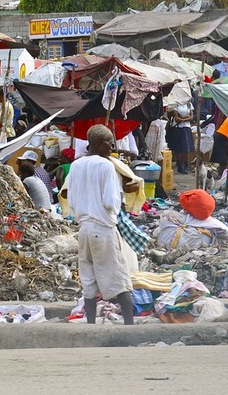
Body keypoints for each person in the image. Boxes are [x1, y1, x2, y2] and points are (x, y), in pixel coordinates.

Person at [60, 124, 135, 325]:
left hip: (84, 229)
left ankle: (91, 325)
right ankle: (130, 327)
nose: (112, 147)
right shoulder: (106, 166)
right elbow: (111, 202)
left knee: (88, 281)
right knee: (119, 280)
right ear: (101, 143)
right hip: (103, 229)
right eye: (110, 143)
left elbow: (72, 201)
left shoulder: (76, 165)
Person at [155, 189, 228, 250]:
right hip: (202, 245)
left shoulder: (180, 218)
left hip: (180, 244)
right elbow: (224, 235)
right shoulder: (214, 224)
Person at [170, 103, 194, 174]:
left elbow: (192, 117)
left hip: (187, 127)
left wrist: (182, 119)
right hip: (178, 128)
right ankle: (179, 165)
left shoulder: (189, 104)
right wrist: (187, 117)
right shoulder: (175, 104)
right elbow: (176, 119)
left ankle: (185, 165)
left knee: (186, 148)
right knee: (178, 148)